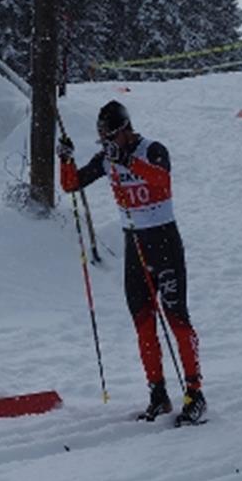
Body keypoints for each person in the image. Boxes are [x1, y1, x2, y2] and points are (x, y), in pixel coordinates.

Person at [58, 100, 207, 426]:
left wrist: (125, 159)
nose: (108, 145)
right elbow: (71, 184)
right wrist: (64, 159)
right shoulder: (108, 157)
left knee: (177, 318)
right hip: (134, 242)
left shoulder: (152, 149)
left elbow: (160, 181)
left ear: (125, 130)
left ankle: (195, 393)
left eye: (112, 137)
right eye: (104, 140)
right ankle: (157, 392)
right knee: (142, 321)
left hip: (164, 241)